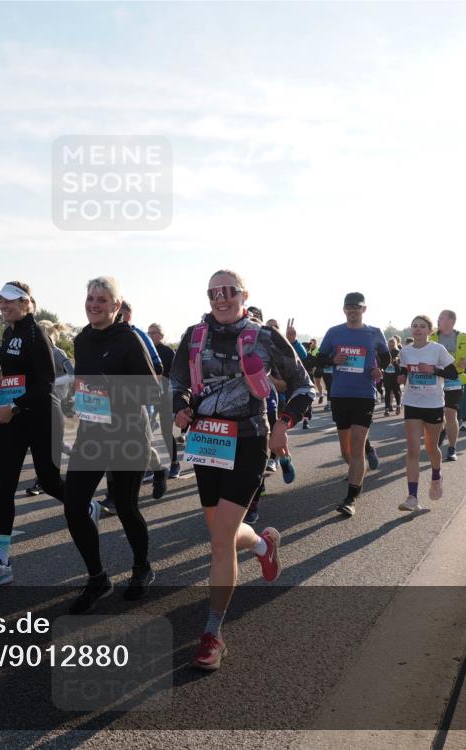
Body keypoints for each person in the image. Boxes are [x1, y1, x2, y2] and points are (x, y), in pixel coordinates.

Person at [171, 270, 312, 670]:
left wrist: (283, 423)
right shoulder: (194, 335)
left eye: (228, 291)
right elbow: (176, 380)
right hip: (205, 441)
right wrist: (180, 405)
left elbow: (303, 385)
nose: (221, 297)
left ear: (243, 295)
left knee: (219, 542)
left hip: (248, 442)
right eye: (214, 291)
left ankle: (213, 633)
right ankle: (264, 544)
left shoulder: (265, 336)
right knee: (223, 535)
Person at [63, 276, 158, 614]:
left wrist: (108, 391)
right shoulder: (81, 339)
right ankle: (98, 578)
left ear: (116, 306)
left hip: (129, 434)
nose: (94, 304)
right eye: (91, 298)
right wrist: (77, 397)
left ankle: (141, 567)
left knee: (127, 508)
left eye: (103, 300)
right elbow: (82, 384)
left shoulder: (129, 340)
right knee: (74, 506)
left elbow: (150, 391)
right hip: (92, 434)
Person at [0, 283, 71, 588]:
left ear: (27, 303)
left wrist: (14, 406)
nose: (3, 305)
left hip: (41, 415)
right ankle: (2, 562)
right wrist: (4, 413)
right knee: (4, 487)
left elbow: (46, 383)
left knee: (50, 480)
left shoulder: (35, 333)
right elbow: (12, 378)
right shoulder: (9, 333)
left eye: (10, 301)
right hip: (12, 419)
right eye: (0, 301)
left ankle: (84, 505)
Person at [314, 292, 390, 517]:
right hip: (339, 394)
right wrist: (332, 360)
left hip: (364, 394)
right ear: (344, 309)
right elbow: (319, 359)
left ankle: (351, 498)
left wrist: (380, 370)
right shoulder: (334, 332)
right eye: (349, 307)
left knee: (356, 449)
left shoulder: (374, 333)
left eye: (356, 307)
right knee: (346, 452)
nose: (352, 311)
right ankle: (367, 454)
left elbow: (386, 357)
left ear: (364, 309)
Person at [396, 315, 458, 512]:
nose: (418, 329)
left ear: (430, 330)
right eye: (414, 326)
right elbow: (404, 373)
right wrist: (401, 377)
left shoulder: (437, 349)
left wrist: (433, 370)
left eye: (422, 326)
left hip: (433, 405)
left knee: (431, 449)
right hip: (412, 403)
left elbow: (453, 373)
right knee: (413, 450)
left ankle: (436, 476)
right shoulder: (405, 351)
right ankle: (412, 497)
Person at [118, 300, 169, 500]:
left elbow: (158, 367)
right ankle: (117, 494)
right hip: (110, 404)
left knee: (138, 446)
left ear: (127, 315)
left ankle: (156, 472)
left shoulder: (138, 335)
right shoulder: (100, 335)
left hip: (139, 402)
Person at [24, 319, 75, 497]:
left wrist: (51, 384)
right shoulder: (34, 353)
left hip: (56, 402)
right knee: (47, 444)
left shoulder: (57, 352)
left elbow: (73, 374)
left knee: (52, 444)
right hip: (40, 403)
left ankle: (44, 480)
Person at [428, 310, 466, 462]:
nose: (438, 320)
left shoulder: (463, 337)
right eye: (437, 318)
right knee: (438, 414)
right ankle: (443, 431)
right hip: (436, 379)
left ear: (451, 320)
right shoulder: (431, 336)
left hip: (455, 379)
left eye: (441, 318)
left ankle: (452, 448)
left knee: (450, 413)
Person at [147, 322, 181, 480]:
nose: (151, 335)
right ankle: (150, 466)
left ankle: (174, 464)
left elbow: (174, 375)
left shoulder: (167, 352)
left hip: (166, 396)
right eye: (149, 332)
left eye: (154, 333)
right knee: (145, 432)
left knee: (167, 432)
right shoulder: (145, 350)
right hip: (148, 396)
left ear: (161, 335)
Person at [382, 337, 402, 416]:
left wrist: (397, 361)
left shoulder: (398, 352)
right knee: (387, 392)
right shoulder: (385, 352)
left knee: (396, 391)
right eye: (390, 345)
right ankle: (386, 408)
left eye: (393, 345)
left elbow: (401, 363)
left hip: (395, 375)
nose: (391, 347)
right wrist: (384, 365)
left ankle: (398, 406)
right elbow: (381, 363)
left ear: (395, 345)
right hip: (387, 375)